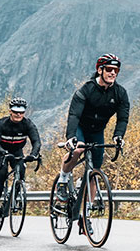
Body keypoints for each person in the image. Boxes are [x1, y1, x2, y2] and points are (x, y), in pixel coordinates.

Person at [56, 53, 131, 217]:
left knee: (95, 171)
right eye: (109, 69)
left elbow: (123, 118)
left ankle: (87, 214)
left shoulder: (120, 93)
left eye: (116, 70)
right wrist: (71, 137)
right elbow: (74, 115)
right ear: (100, 70)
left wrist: (118, 136)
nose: (113, 73)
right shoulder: (86, 90)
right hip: (80, 128)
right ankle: (63, 179)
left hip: (97, 131)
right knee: (78, 150)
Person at [0, 97, 41, 219]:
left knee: (21, 173)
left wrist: (33, 155)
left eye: (21, 112)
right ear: (10, 111)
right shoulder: (1, 124)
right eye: (15, 111)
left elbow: (36, 141)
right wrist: (3, 152)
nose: (18, 114)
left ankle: (14, 198)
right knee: (1, 174)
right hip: (0, 151)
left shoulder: (28, 124)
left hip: (17, 151)